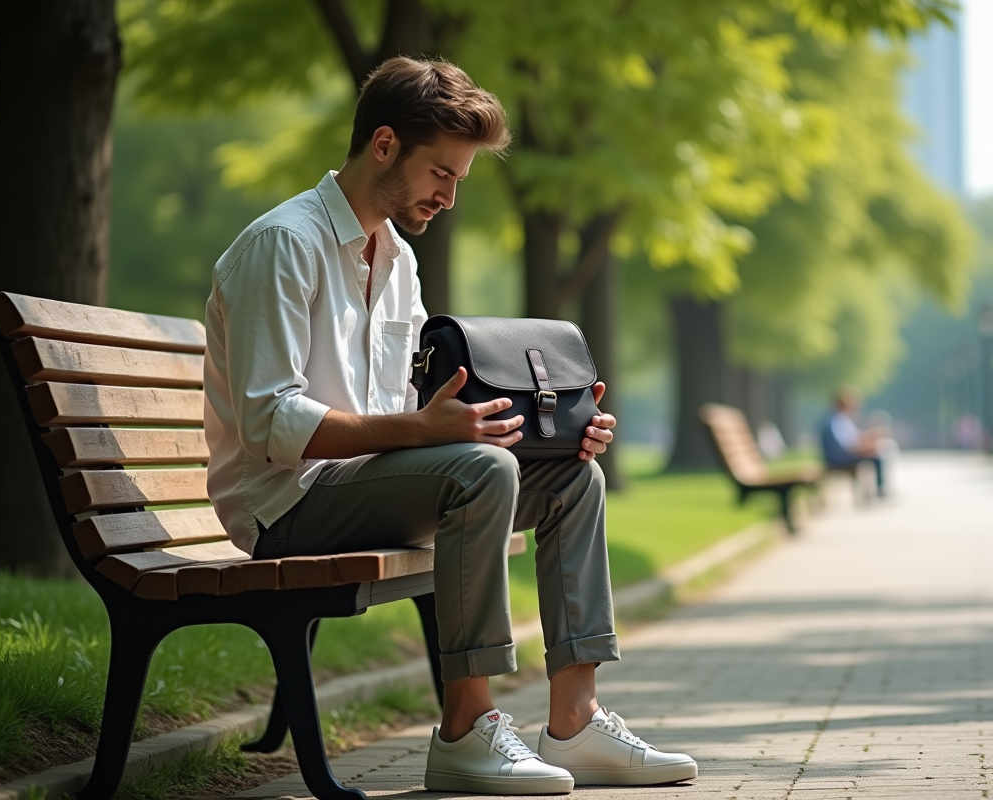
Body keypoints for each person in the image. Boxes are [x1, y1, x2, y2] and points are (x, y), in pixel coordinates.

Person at [203, 56, 696, 795]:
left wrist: (559, 431)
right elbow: (270, 423)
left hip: (372, 485)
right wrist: (425, 434)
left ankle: (576, 718)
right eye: (442, 173)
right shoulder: (284, 245)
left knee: (573, 478)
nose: (451, 196)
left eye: (460, 179)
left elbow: (423, 409)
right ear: (383, 146)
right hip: (287, 503)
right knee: (480, 471)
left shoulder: (397, 259)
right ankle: (466, 731)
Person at [819, 388, 886, 497]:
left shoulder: (838, 419)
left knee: (877, 453)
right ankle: (879, 490)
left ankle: (875, 491)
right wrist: (866, 447)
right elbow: (847, 445)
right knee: (876, 457)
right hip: (838, 458)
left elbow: (853, 438)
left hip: (840, 454)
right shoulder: (836, 420)